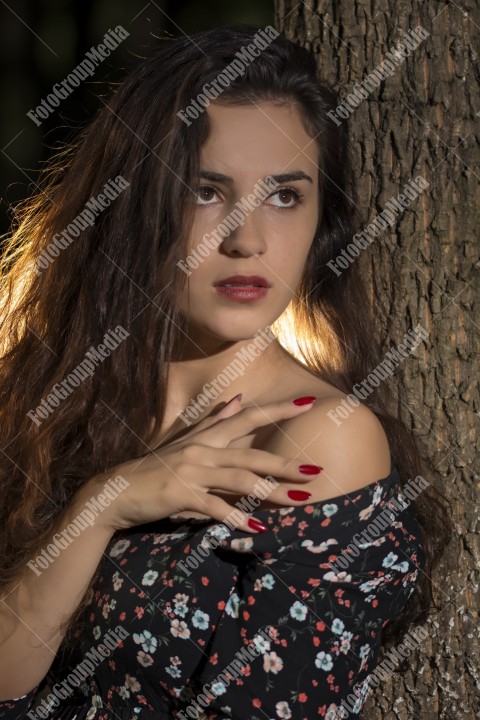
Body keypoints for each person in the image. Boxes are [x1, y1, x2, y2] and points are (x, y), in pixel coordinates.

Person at [0, 24, 452, 720]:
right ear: (140, 205)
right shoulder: (40, 395)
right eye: (207, 191)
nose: (246, 238)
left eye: (284, 196)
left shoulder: (317, 440)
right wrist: (102, 506)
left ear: (321, 223)